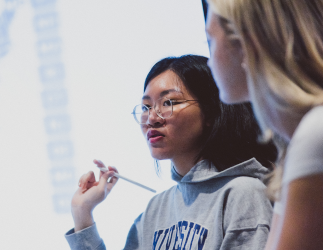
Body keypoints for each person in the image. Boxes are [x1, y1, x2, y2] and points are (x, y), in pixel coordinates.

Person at [65, 55, 277, 249]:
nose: (152, 118)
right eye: (146, 107)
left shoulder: (243, 193)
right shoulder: (154, 211)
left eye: (169, 102)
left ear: (211, 112)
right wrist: (82, 214)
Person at [205, 1, 323, 249]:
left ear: (247, 45)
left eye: (211, 42)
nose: (208, 61)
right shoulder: (296, 145)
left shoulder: (315, 132)